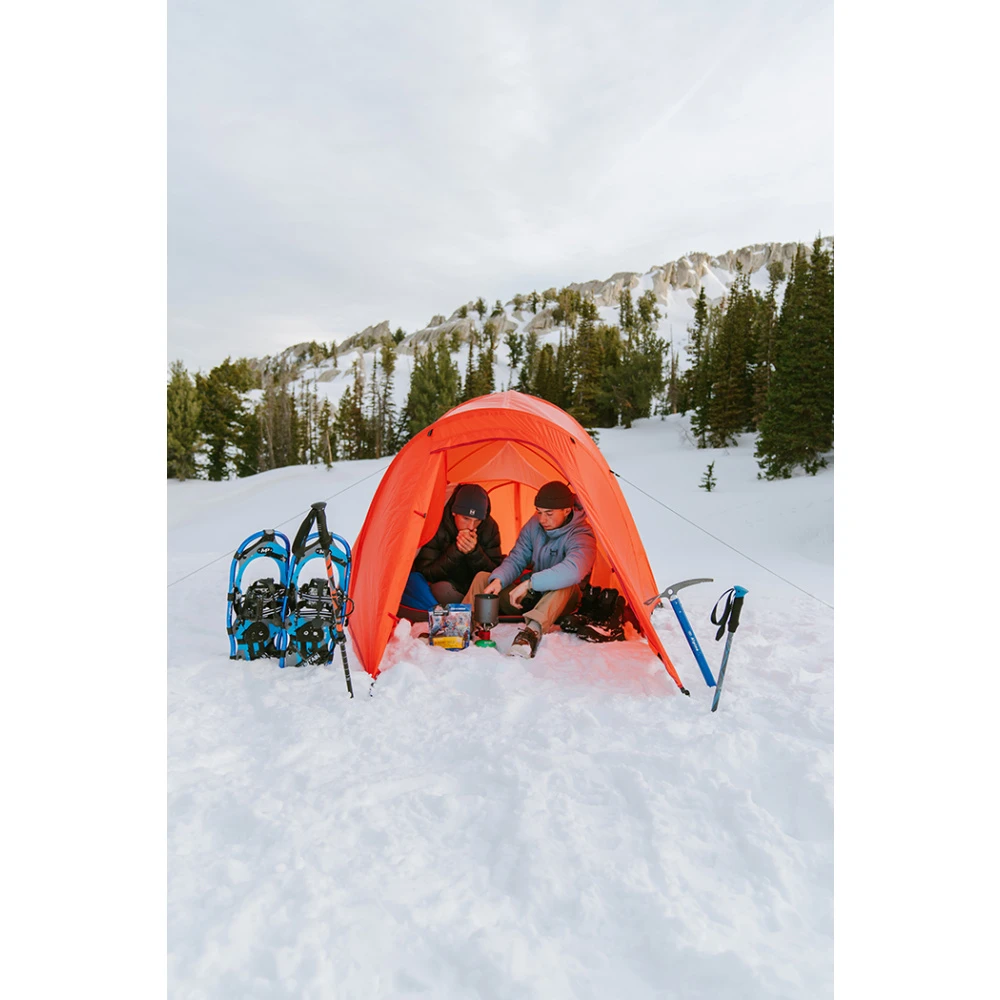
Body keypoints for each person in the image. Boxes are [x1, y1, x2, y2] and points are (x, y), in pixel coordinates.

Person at [461, 481, 596, 658]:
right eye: (539, 512)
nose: (542, 519)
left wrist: (530, 584)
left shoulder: (582, 534)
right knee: (483, 578)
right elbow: (517, 558)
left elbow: (574, 570)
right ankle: (461, 625)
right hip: (532, 597)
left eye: (549, 513)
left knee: (565, 585)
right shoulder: (534, 525)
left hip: (559, 602)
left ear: (567, 510)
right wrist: (499, 580)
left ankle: (530, 634)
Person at [411, 483, 503, 606]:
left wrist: (474, 552)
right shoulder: (437, 523)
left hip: (477, 588)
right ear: (454, 512)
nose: (471, 526)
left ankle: (469, 607)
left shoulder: (489, 527)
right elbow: (425, 572)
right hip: (449, 587)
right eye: (466, 518)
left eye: (477, 520)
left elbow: (495, 573)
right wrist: (456, 551)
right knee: (441, 591)